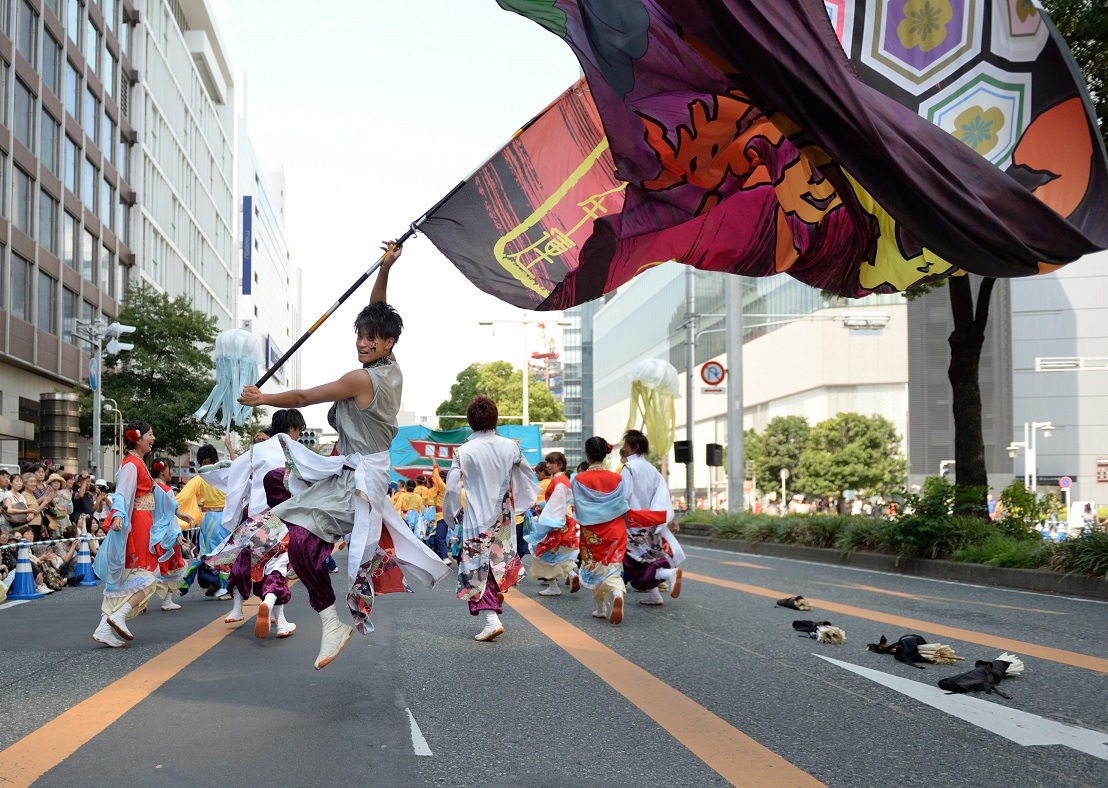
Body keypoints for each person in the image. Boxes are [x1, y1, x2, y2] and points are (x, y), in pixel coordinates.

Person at [237, 241, 448, 669]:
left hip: (360, 480)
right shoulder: (391, 368)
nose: (362, 342)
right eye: (360, 335)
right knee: (280, 493)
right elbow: (380, 309)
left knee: (298, 539)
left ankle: (332, 619)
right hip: (350, 470)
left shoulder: (360, 379)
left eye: (371, 338)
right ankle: (324, 595)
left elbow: (305, 395)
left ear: (387, 343)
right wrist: (385, 268)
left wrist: (263, 399)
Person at [443, 395, 539, 642]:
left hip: (476, 519)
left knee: (477, 567)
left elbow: (453, 488)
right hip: (503, 515)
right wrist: (523, 503)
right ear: (495, 419)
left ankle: (491, 619)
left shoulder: (464, 451)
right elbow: (527, 475)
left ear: (470, 422)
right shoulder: (511, 446)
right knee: (498, 562)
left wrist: (450, 515)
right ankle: (494, 603)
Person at [91, 421, 165, 647]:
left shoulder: (137, 462)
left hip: (144, 521)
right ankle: (118, 615)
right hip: (139, 523)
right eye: (150, 434)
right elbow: (122, 493)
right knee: (147, 577)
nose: (153, 438)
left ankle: (105, 628)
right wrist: (118, 514)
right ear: (137, 437)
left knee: (133, 577)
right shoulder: (132, 464)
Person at [619, 430, 683, 606]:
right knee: (647, 557)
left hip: (631, 521)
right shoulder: (652, 469)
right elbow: (662, 495)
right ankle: (655, 594)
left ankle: (668, 574)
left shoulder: (629, 468)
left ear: (635, 446)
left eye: (626, 444)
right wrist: (667, 518)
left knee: (632, 563)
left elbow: (623, 496)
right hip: (649, 521)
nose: (624, 447)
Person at [572, 437, 631, 624]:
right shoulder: (618, 478)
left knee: (593, 566)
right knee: (613, 564)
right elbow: (622, 503)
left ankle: (601, 607)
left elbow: (579, 507)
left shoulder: (579, 479)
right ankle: (617, 593)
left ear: (587, 454)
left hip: (592, 530)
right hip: (615, 527)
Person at [176, 444, 230, 598]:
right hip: (229, 517)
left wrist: (169, 508)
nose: (206, 465)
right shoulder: (225, 475)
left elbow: (183, 497)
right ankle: (223, 585)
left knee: (210, 553)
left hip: (211, 520)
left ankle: (221, 586)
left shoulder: (200, 478)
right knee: (227, 552)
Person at [525, 451, 580, 597]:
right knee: (556, 550)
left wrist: (544, 508)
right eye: (548, 462)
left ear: (560, 465)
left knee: (543, 550)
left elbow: (557, 503)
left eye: (552, 462)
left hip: (556, 521)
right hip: (565, 521)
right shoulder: (564, 479)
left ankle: (556, 583)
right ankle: (571, 574)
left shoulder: (558, 481)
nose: (548, 465)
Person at [150, 457, 192, 611]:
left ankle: (140, 600)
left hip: (151, 531)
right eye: (171, 469)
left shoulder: (150, 488)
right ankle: (167, 601)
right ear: (162, 470)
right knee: (172, 567)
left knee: (150, 567)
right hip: (167, 533)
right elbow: (171, 515)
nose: (172, 472)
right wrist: (177, 533)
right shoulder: (167, 491)